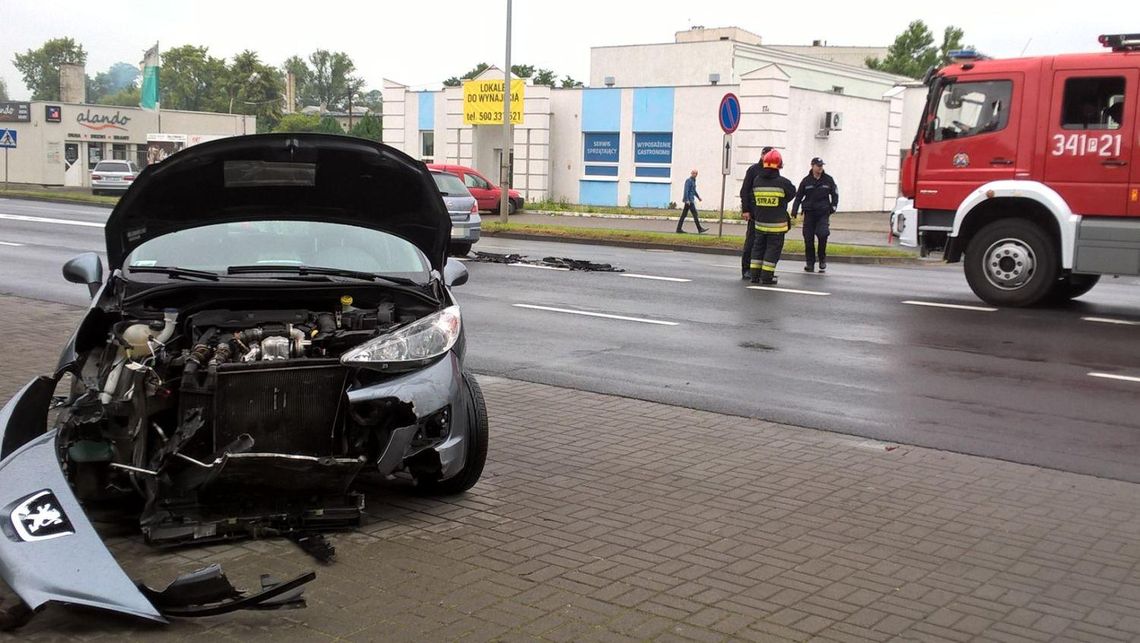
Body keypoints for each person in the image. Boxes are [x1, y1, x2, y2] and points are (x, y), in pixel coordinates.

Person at [748, 149, 797, 285]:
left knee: (757, 249)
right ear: (779, 165)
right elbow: (791, 194)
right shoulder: (783, 183)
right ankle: (767, 277)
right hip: (776, 226)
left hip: (759, 223)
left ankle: (754, 276)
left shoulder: (757, 181)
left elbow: (753, 197)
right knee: (772, 250)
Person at [791, 157, 839, 273]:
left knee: (823, 234)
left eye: (821, 166)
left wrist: (833, 207)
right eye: (818, 166)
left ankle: (822, 258)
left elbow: (835, 194)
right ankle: (810, 263)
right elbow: (798, 197)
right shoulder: (806, 181)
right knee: (808, 238)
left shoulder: (828, 180)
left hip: (823, 213)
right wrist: (794, 210)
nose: (820, 168)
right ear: (812, 166)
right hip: (809, 213)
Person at [739, 146, 773, 279]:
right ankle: (746, 269)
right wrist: (746, 210)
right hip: (754, 213)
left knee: (764, 244)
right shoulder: (754, 170)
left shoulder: (772, 170)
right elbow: (745, 191)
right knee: (751, 242)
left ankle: (759, 271)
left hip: (767, 214)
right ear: (762, 155)